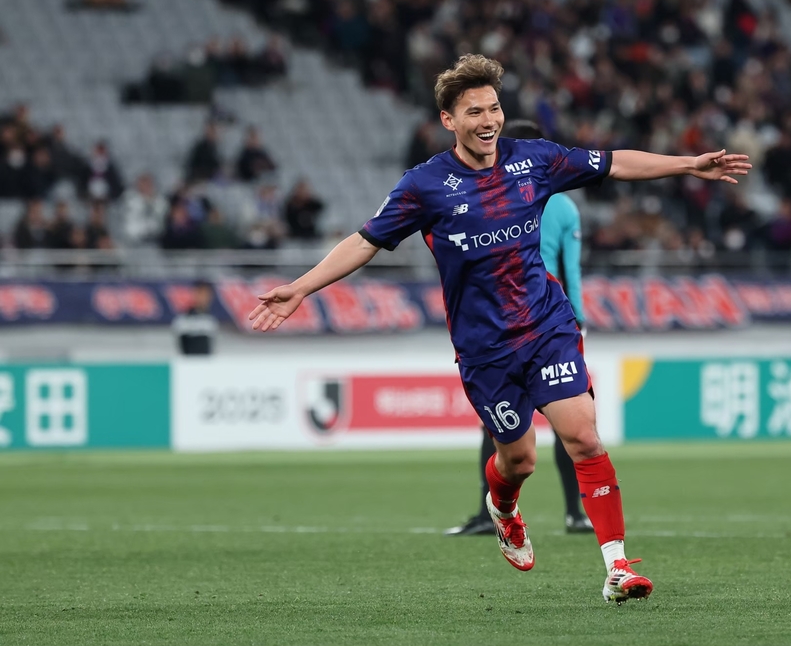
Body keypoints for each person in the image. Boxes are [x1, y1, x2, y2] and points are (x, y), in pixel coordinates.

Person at [249, 54, 751, 603]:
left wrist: (687, 165)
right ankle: (504, 509)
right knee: (520, 460)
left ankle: (618, 567)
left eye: (493, 108)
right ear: (449, 120)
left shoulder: (534, 160)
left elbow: (613, 163)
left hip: (546, 325)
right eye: (474, 112)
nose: (488, 120)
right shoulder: (424, 185)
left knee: (584, 437)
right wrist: (302, 287)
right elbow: (365, 242)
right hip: (484, 348)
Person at [444, 118, 593, 537]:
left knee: (498, 427)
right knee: (571, 422)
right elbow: (571, 268)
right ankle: (575, 513)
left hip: (503, 322)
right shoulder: (563, 205)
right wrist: (578, 317)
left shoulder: (488, 194)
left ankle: (487, 513)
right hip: (552, 320)